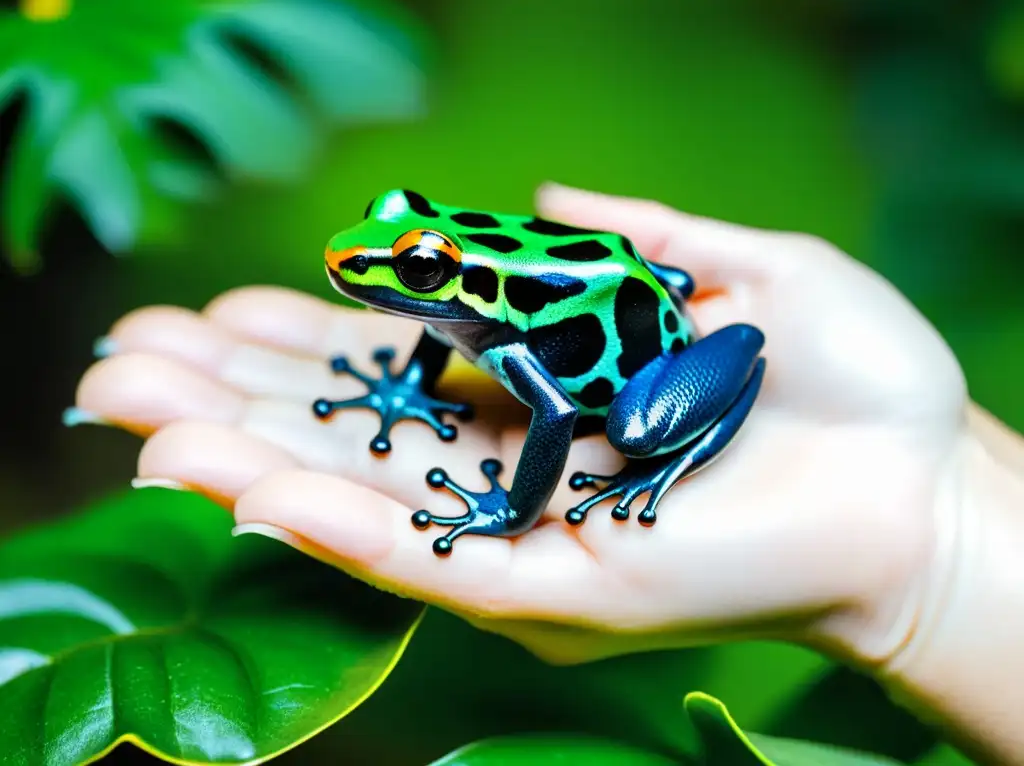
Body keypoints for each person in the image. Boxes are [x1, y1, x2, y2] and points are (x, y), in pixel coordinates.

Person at [68, 183, 1024, 765]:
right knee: (447, 325)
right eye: (393, 242)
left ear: (462, 274)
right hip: (573, 292)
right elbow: (438, 320)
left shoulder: (499, 325)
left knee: (636, 432)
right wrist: (410, 387)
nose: (372, 262)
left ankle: (673, 449)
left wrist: (512, 510)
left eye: (420, 264)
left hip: (641, 366)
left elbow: (560, 411)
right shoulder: (459, 310)